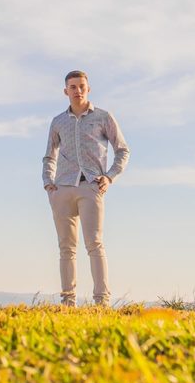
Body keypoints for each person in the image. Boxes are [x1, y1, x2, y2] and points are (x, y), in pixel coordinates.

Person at [42, 70, 130, 307]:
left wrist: (110, 177)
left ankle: (101, 301)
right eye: (73, 87)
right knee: (66, 248)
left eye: (81, 86)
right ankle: (68, 302)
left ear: (88, 88)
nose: (77, 90)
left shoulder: (103, 117)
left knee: (94, 244)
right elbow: (49, 155)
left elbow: (122, 150)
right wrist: (48, 183)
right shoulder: (58, 122)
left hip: (91, 187)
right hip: (62, 189)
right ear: (65, 91)